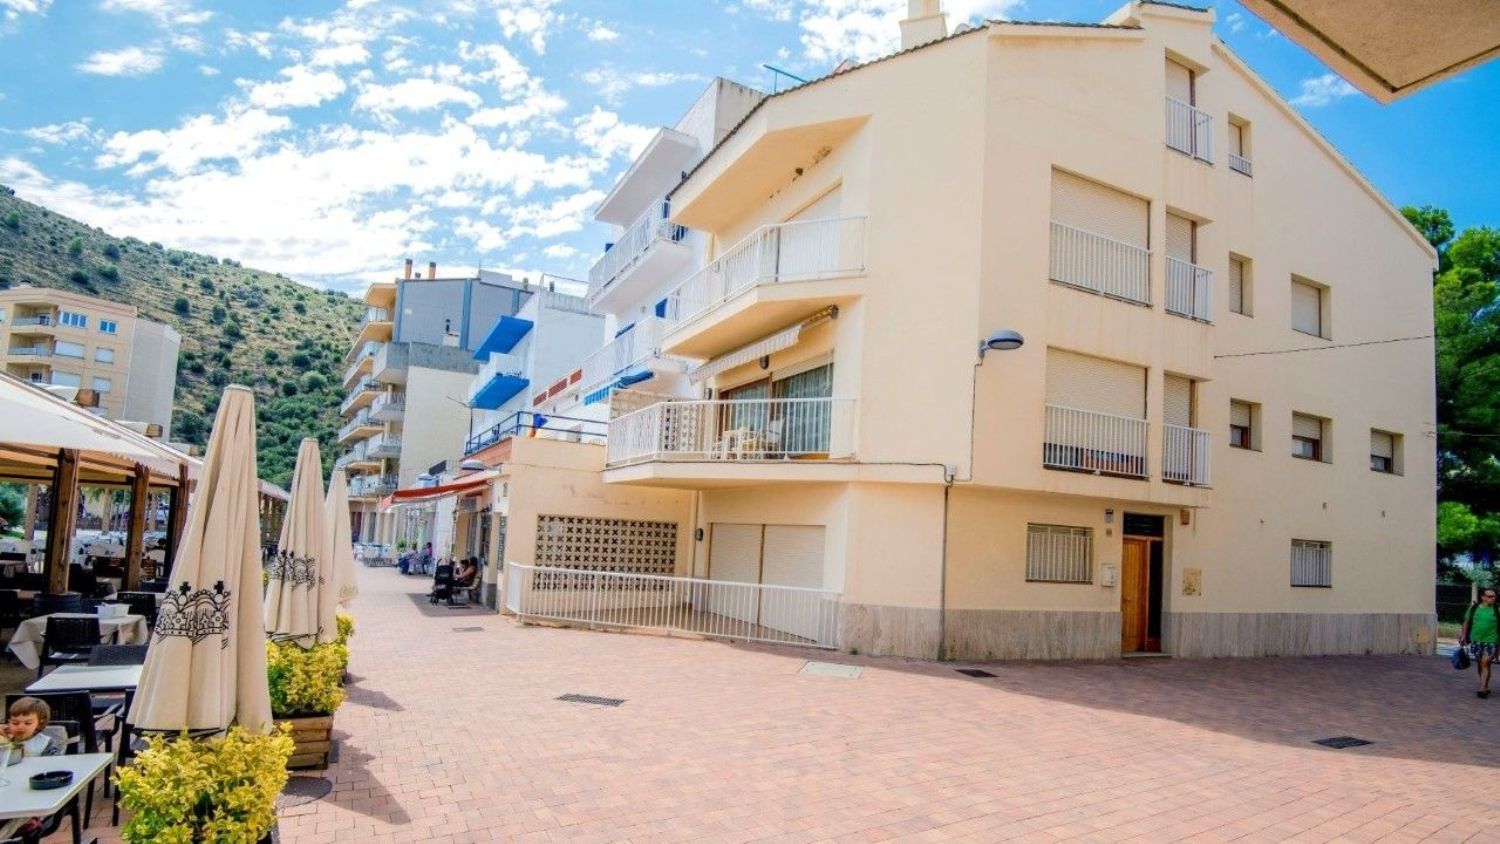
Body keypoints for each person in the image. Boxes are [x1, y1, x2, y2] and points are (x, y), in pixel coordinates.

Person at [1460, 588, 1500, 698]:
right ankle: (1485, 685)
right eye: (1490, 596)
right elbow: (1466, 622)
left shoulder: (1497, 610)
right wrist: (1463, 636)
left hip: (1492, 640)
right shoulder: (1474, 609)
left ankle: (1482, 689)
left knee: (1485, 661)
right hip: (1476, 640)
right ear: (1483, 597)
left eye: (1494, 596)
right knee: (1481, 664)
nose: (1493, 598)